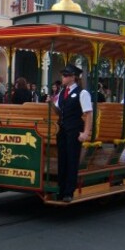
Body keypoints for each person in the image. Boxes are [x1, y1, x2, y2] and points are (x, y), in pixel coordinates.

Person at [52, 64, 93, 202]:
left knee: (71, 160)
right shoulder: (62, 93)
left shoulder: (82, 93)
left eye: (65, 75)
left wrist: (86, 132)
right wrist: (51, 103)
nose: (62, 78)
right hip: (62, 130)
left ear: (73, 77)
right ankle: (61, 188)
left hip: (74, 129)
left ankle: (69, 191)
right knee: (62, 159)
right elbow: (58, 111)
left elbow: (88, 113)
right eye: (63, 75)